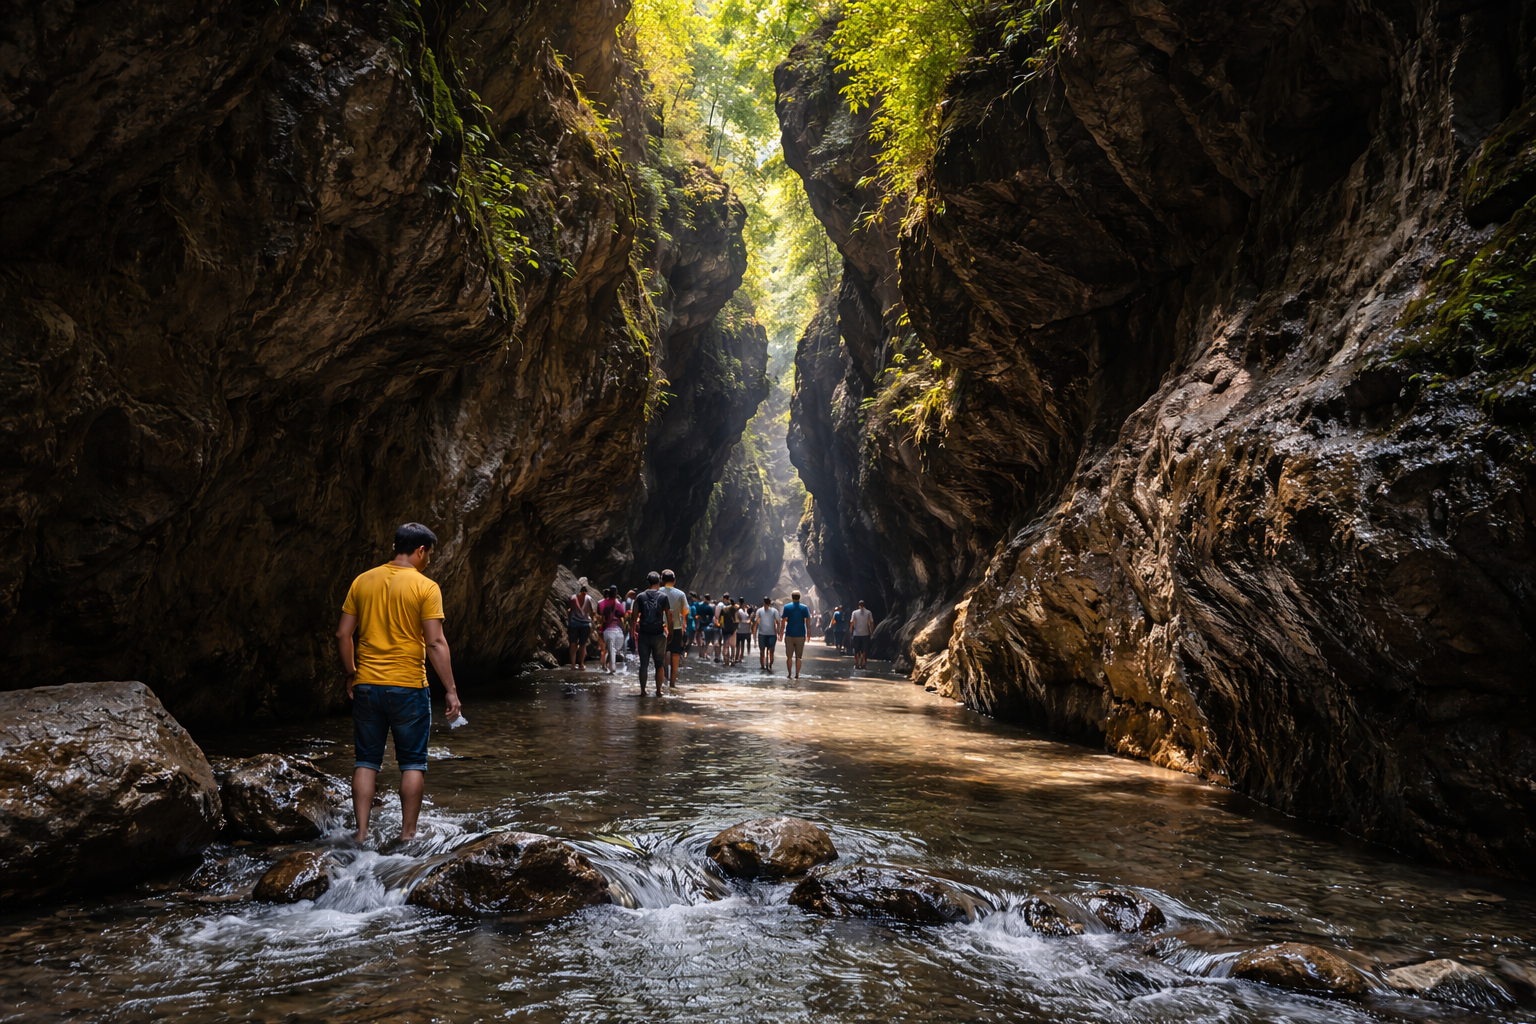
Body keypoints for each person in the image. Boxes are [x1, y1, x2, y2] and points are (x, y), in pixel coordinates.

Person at [335, 522, 462, 843]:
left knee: (366, 761)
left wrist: (351, 673)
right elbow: (435, 642)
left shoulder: (362, 581)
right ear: (420, 551)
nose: (429, 560)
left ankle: (361, 834)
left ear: (395, 547)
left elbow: (343, 634)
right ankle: (408, 834)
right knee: (412, 764)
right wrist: (450, 690)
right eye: (429, 554)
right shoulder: (426, 587)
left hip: (367, 686)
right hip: (408, 687)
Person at [629, 572, 670, 695]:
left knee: (643, 664)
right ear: (659, 582)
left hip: (644, 634)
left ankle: (643, 691)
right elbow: (669, 616)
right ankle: (658, 691)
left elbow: (634, 617)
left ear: (648, 582)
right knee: (659, 664)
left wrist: (632, 632)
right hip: (658, 634)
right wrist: (671, 632)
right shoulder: (663, 597)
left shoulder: (640, 597)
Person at [660, 569, 688, 686]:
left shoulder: (658, 592)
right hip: (676, 627)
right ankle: (672, 682)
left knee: (662, 652)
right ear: (674, 580)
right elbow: (685, 611)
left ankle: (662, 679)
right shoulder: (681, 594)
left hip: (660, 627)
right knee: (675, 653)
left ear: (662, 580)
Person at [781, 589, 811, 680]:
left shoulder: (787, 607)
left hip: (789, 634)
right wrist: (808, 633)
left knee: (789, 657)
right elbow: (807, 621)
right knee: (799, 657)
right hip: (801, 635)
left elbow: (783, 621)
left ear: (792, 597)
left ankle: (789, 674)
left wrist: (781, 633)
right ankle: (797, 675)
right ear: (799, 597)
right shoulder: (804, 608)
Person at [597, 585, 627, 674]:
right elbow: (623, 614)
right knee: (612, 649)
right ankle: (611, 666)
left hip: (605, 629)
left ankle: (606, 665)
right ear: (616, 593)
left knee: (607, 648)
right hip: (617, 629)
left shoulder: (602, 603)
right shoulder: (619, 603)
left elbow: (599, 612)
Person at [568, 578, 595, 670]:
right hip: (585, 624)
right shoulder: (589, 598)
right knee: (583, 644)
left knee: (573, 643)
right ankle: (582, 664)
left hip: (573, 623)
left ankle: (573, 665)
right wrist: (593, 621)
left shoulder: (573, 598)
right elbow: (591, 612)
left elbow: (569, 609)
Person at [849, 600, 875, 670]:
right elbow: (870, 623)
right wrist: (871, 632)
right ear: (864, 605)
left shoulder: (854, 612)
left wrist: (850, 632)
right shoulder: (868, 612)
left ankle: (856, 664)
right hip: (865, 634)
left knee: (856, 650)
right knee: (864, 650)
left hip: (856, 634)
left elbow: (852, 622)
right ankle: (863, 664)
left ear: (859, 605)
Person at [756, 596, 780, 671]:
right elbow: (777, 622)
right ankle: (765, 665)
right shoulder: (773, 611)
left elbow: (757, 621)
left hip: (768, 634)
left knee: (768, 650)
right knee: (765, 650)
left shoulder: (760, 611)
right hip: (766, 634)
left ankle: (768, 665)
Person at [732, 599, 751, 665]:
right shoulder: (745, 612)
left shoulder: (739, 611)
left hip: (740, 630)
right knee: (742, 644)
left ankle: (737, 658)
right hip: (745, 630)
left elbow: (735, 620)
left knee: (739, 644)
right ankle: (740, 657)